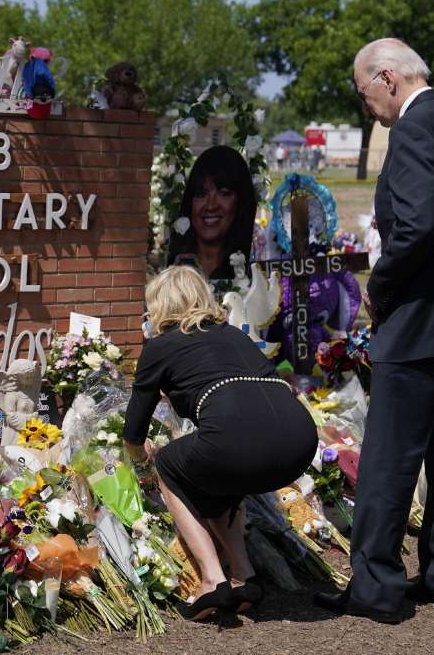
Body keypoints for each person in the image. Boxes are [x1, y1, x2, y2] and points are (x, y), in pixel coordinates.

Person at [315, 38, 434, 622]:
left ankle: (376, 587)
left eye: (364, 92)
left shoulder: (413, 129)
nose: (366, 105)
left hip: (422, 316)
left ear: (388, 78)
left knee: (388, 456)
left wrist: (380, 288)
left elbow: (417, 227)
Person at [124, 265, 317, 621]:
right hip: (300, 440)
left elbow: (134, 431)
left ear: (160, 304)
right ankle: (244, 576)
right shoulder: (234, 336)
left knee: (169, 465)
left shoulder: (160, 346)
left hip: (236, 443)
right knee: (218, 471)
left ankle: (212, 581)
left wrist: (139, 462)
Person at [165, 145, 259, 280]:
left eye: (224, 193)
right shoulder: (171, 272)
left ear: (241, 201)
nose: (210, 206)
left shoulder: (257, 270)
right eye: (201, 194)